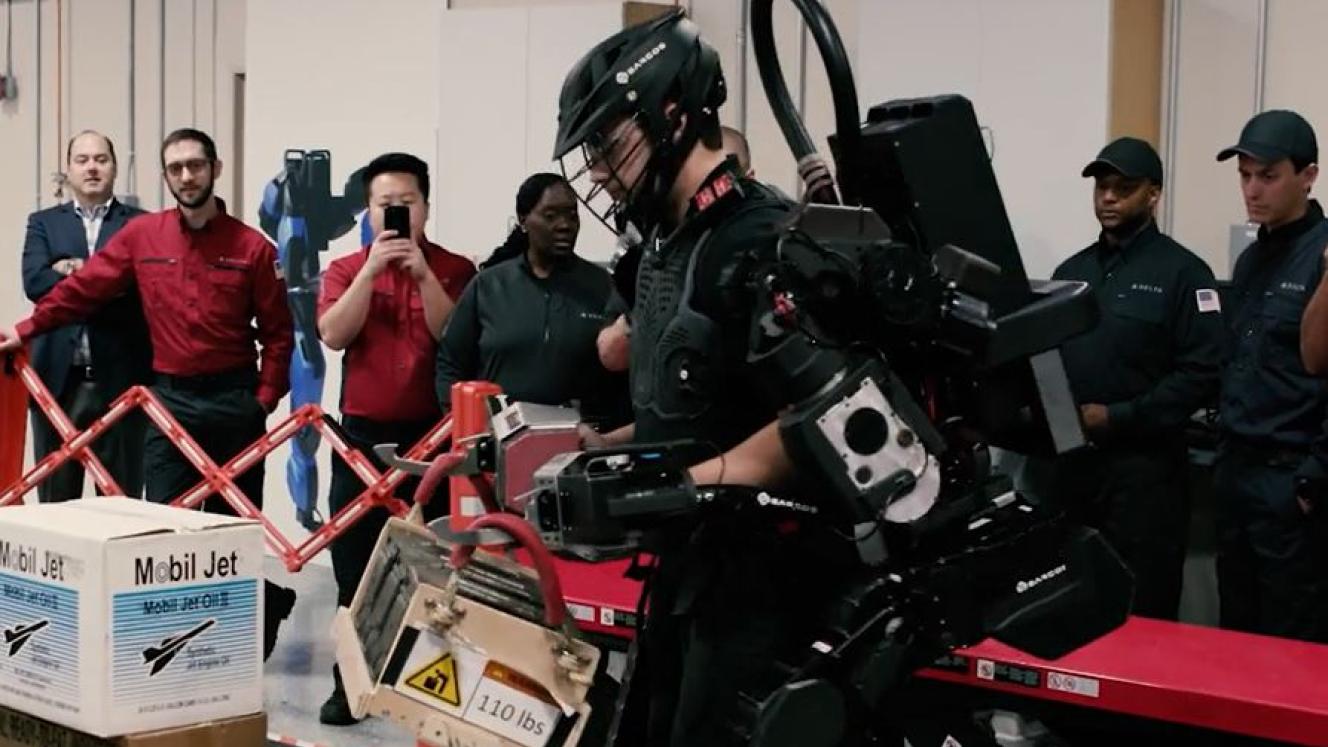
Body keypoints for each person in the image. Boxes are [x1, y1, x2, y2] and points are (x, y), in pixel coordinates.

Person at [553, 11, 854, 743]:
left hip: (765, 577)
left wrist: (694, 478)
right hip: (689, 565)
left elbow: (828, 410)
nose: (595, 167)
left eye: (607, 141)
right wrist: (603, 447)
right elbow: (693, 406)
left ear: (674, 115)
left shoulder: (764, 238)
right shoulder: (667, 243)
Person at [0, 128, 299, 657]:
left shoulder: (253, 248)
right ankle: (164, 644)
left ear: (215, 169)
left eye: (195, 166)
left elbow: (279, 333)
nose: (186, 176)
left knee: (233, 533)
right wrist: (26, 330)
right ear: (165, 176)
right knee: (160, 527)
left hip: (235, 404)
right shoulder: (144, 238)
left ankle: (246, 625)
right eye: (176, 168)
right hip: (170, 404)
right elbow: (81, 292)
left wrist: (265, 397)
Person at [1023, 137, 1224, 620]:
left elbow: (1202, 373)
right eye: (1102, 187)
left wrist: (1119, 417)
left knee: (1142, 610)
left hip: (1145, 475)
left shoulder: (1184, 274)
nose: (1108, 197)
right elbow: (1044, 358)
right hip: (1073, 470)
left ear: (1153, 195)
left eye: (1124, 188)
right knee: (1068, 609)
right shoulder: (1070, 273)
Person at [314, 152, 476, 725]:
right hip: (360, 438)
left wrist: (422, 275)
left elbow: (458, 338)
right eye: (385, 205)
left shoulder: (456, 269)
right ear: (369, 209)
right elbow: (332, 334)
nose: (396, 214)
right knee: (353, 571)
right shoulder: (343, 268)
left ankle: (428, 695)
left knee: (438, 570)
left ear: (426, 207)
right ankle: (348, 686)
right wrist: (371, 272)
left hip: (434, 439)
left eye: (406, 204)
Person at [1214, 109, 1328, 642]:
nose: (1252, 190)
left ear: (1307, 176)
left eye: (1268, 175)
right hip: (1236, 468)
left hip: (1290, 479)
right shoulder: (1251, 260)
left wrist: (1313, 476)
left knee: (1289, 635)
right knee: (1235, 624)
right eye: (1244, 175)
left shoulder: (1321, 259)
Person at [434, 173, 626, 429]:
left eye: (571, 215)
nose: (564, 225)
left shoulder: (603, 286)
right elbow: (450, 365)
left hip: (578, 443)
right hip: (499, 443)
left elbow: (624, 374)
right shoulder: (489, 286)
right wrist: (467, 427)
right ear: (524, 220)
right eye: (550, 215)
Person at [20, 130, 152, 502]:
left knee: (121, 501)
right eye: (82, 160)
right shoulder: (43, 222)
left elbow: (143, 287)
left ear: (113, 167)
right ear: (68, 169)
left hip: (123, 382)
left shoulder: (141, 224)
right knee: (55, 501)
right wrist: (108, 280)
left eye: (100, 159)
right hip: (57, 383)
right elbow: (35, 282)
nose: (92, 168)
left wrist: (74, 270)